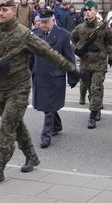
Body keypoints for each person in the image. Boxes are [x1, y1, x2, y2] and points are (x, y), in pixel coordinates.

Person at [0, 0, 86, 186]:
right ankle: (31, 156)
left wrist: (71, 68)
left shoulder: (24, 34)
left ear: (14, 11)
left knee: (7, 128)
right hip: (0, 88)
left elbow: (48, 52)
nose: (1, 14)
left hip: (19, 88)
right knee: (15, 124)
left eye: (5, 10)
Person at [31, 9, 79, 148]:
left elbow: (69, 58)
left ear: (53, 20)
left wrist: (73, 77)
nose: (44, 25)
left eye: (46, 22)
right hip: (39, 76)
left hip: (55, 77)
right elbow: (30, 56)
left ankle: (46, 136)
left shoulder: (63, 35)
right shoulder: (35, 34)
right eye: (42, 22)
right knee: (47, 106)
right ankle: (57, 126)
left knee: (49, 106)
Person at [72, 0, 112, 129]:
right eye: (86, 10)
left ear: (96, 12)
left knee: (96, 88)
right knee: (88, 87)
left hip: (99, 64)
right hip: (85, 64)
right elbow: (73, 39)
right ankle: (97, 108)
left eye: (90, 10)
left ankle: (92, 116)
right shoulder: (80, 28)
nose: (87, 12)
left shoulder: (103, 28)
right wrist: (79, 48)